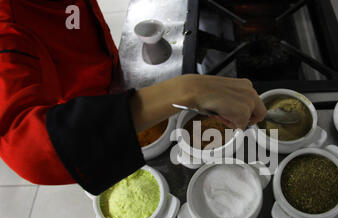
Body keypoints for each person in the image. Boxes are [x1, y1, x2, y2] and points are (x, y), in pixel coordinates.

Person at [0, 0, 266, 195]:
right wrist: (190, 89)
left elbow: (72, 24)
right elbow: (28, 150)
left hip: (108, 80)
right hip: (87, 125)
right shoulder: (7, 22)